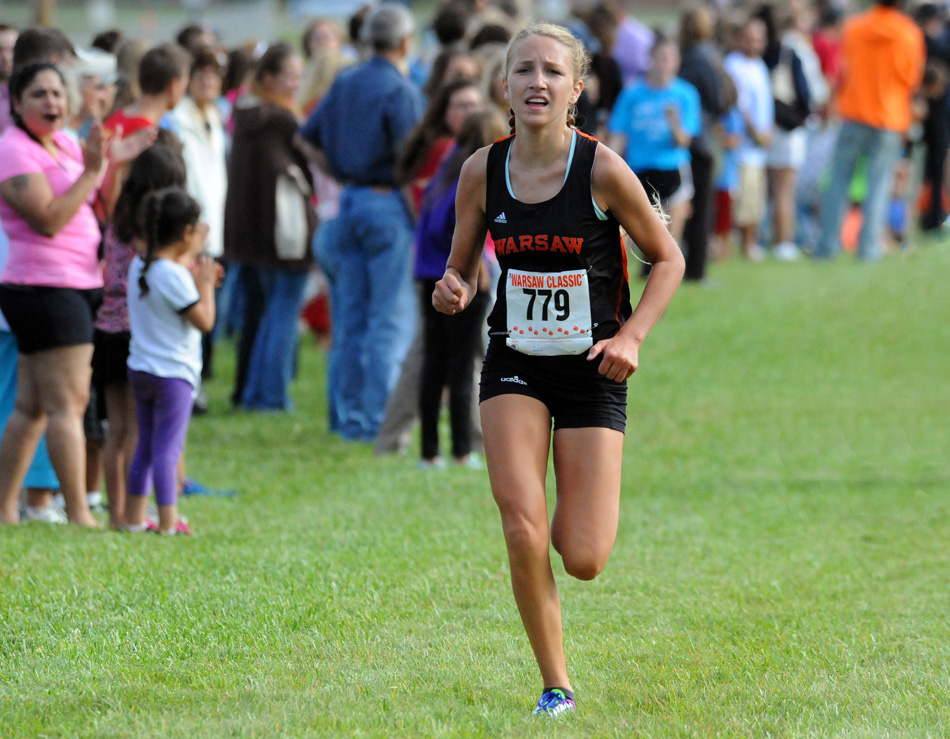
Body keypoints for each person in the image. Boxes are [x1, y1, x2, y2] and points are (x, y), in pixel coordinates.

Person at [432, 22, 684, 716]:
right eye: (522, 70)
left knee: (583, 555)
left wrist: (632, 336)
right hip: (514, 359)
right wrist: (453, 288)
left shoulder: (601, 168)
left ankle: (578, 556)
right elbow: (460, 269)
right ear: (504, 86)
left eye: (551, 71)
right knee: (520, 520)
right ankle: (556, 682)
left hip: (594, 366)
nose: (535, 82)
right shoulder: (482, 169)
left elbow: (669, 259)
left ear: (576, 89)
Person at [0, 62, 148, 525]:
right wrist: (90, 173)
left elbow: (92, 191)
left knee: (32, 406)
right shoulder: (13, 149)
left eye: (57, 94)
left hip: (78, 283)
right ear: (17, 103)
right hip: (45, 287)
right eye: (39, 95)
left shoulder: (63, 141)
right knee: (69, 405)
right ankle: (80, 513)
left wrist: (109, 162)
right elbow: (47, 219)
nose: (51, 103)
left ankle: (5, 508)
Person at [300, 3, 425, 440]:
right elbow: (411, 164)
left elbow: (306, 137)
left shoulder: (344, 81)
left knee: (349, 319)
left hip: (347, 202)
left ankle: (347, 417)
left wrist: (338, 170)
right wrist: (420, 222)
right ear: (405, 42)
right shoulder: (401, 89)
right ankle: (377, 420)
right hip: (386, 202)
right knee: (388, 319)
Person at [94, 138, 187, 529]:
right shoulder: (154, 237)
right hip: (138, 337)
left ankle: (117, 513)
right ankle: (138, 510)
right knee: (139, 431)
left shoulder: (118, 220)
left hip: (106, 329)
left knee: (116, 429)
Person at [224, 42, 315, 411]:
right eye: (288, 77)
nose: (295, 84)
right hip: (284, 233)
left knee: (263, 313)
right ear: (267, 78)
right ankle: (271, 395)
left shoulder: (243, 116)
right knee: (282, 313)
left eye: (299, 76)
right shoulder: (281, 121)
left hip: (249, 233)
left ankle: (253, 393)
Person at [124, 188, 216, 535]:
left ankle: (133, 518)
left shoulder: (141, 265)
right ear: (185, 233)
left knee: (146, 444)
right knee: (168, 449)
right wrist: (205, 285)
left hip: (142, 369)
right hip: (173, 375)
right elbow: (204, 321)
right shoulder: (173, 276)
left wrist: (195, 278)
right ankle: (168, 522)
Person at [415, 110, 502, 469]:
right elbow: (460, 226)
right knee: (463, 365)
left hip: (427, 275)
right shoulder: (475, 176)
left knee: (434, 364)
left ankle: (429, 451)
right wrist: (476, 260)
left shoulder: (446, 170)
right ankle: (463, 450)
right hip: (461, 280)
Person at [815, 0, 925, 261]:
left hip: (853, 112)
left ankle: (827, 246)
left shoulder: (854, 27)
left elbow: (843, 69)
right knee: (879, 185)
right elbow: (911, 79)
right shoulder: (908, 32)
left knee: (839, 181)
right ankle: (868, 248)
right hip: (889, 117)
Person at [608, 36, 701, 248]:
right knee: (628, 235)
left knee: (669, 240)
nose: (664, 64)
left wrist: (674, 121)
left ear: (677, 62)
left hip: (672, 168)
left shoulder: (685, 94)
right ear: (650, 59)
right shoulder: (632, 93)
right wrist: (610, 167)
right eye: (660, 58)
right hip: (639, 169)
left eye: (669, 59)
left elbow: (684, 141)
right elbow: (618, 135)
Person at [724, 17, 774, 261]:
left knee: (755, 198)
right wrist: (756, 133)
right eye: (749, 38)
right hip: (743, 146)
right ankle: (742, 245)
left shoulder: (760, 65)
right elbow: (741, 106)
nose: (754, 44)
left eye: (758, 39)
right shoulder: (734, 65)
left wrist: (768, 130)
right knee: (742, 198)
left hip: (759, 146)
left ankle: (750, 243)